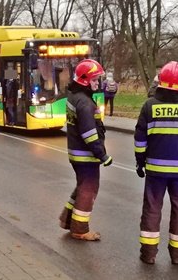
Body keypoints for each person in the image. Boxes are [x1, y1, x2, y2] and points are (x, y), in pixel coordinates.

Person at [134, 61, 178, 265]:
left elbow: (140, 140)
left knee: (152, 210)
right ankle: (177, 256)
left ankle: (148, 254)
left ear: (161, 82)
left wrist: (140, 162)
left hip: (154, 171)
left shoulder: (149, 106)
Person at [59, 59, 113, 241]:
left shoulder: (74, 97)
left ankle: (67, 220)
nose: (97, 83)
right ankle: (80, 229)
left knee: (81, 187)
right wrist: (102, 155)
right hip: (86, 156)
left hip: (76, 153)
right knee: (88, 189)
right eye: (95, 79)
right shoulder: (84, 103)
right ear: (85, 80)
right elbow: (90, 134)